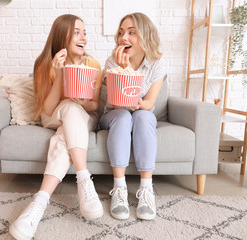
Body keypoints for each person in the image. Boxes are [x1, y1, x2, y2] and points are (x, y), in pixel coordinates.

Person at [9, 14, 103, 240]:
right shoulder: (44, 63)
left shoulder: (92, 64)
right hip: (52, 115)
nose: (84, 38)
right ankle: (84, 180)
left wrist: (82, 101)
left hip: (83, 117)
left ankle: (39, 202)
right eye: (77, 32)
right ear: (63, 35)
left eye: (85, 33)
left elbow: (95, 105)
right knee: (68, 107)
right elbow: (48, 110)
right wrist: (60, 75)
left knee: (65, 132)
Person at [99, 12, 166, 221]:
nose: (123, 38)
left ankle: (146, 190)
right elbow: (119, 103)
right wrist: (123, 68)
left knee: (142, 116)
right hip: (115, 115)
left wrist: (128, 71)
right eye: (121, 33)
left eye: (131, 33)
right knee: (124, 116)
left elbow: (147, 104)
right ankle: (119, 189)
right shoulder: (112, 62)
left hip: (141, 115)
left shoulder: (157, 63)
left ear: (145, 36)